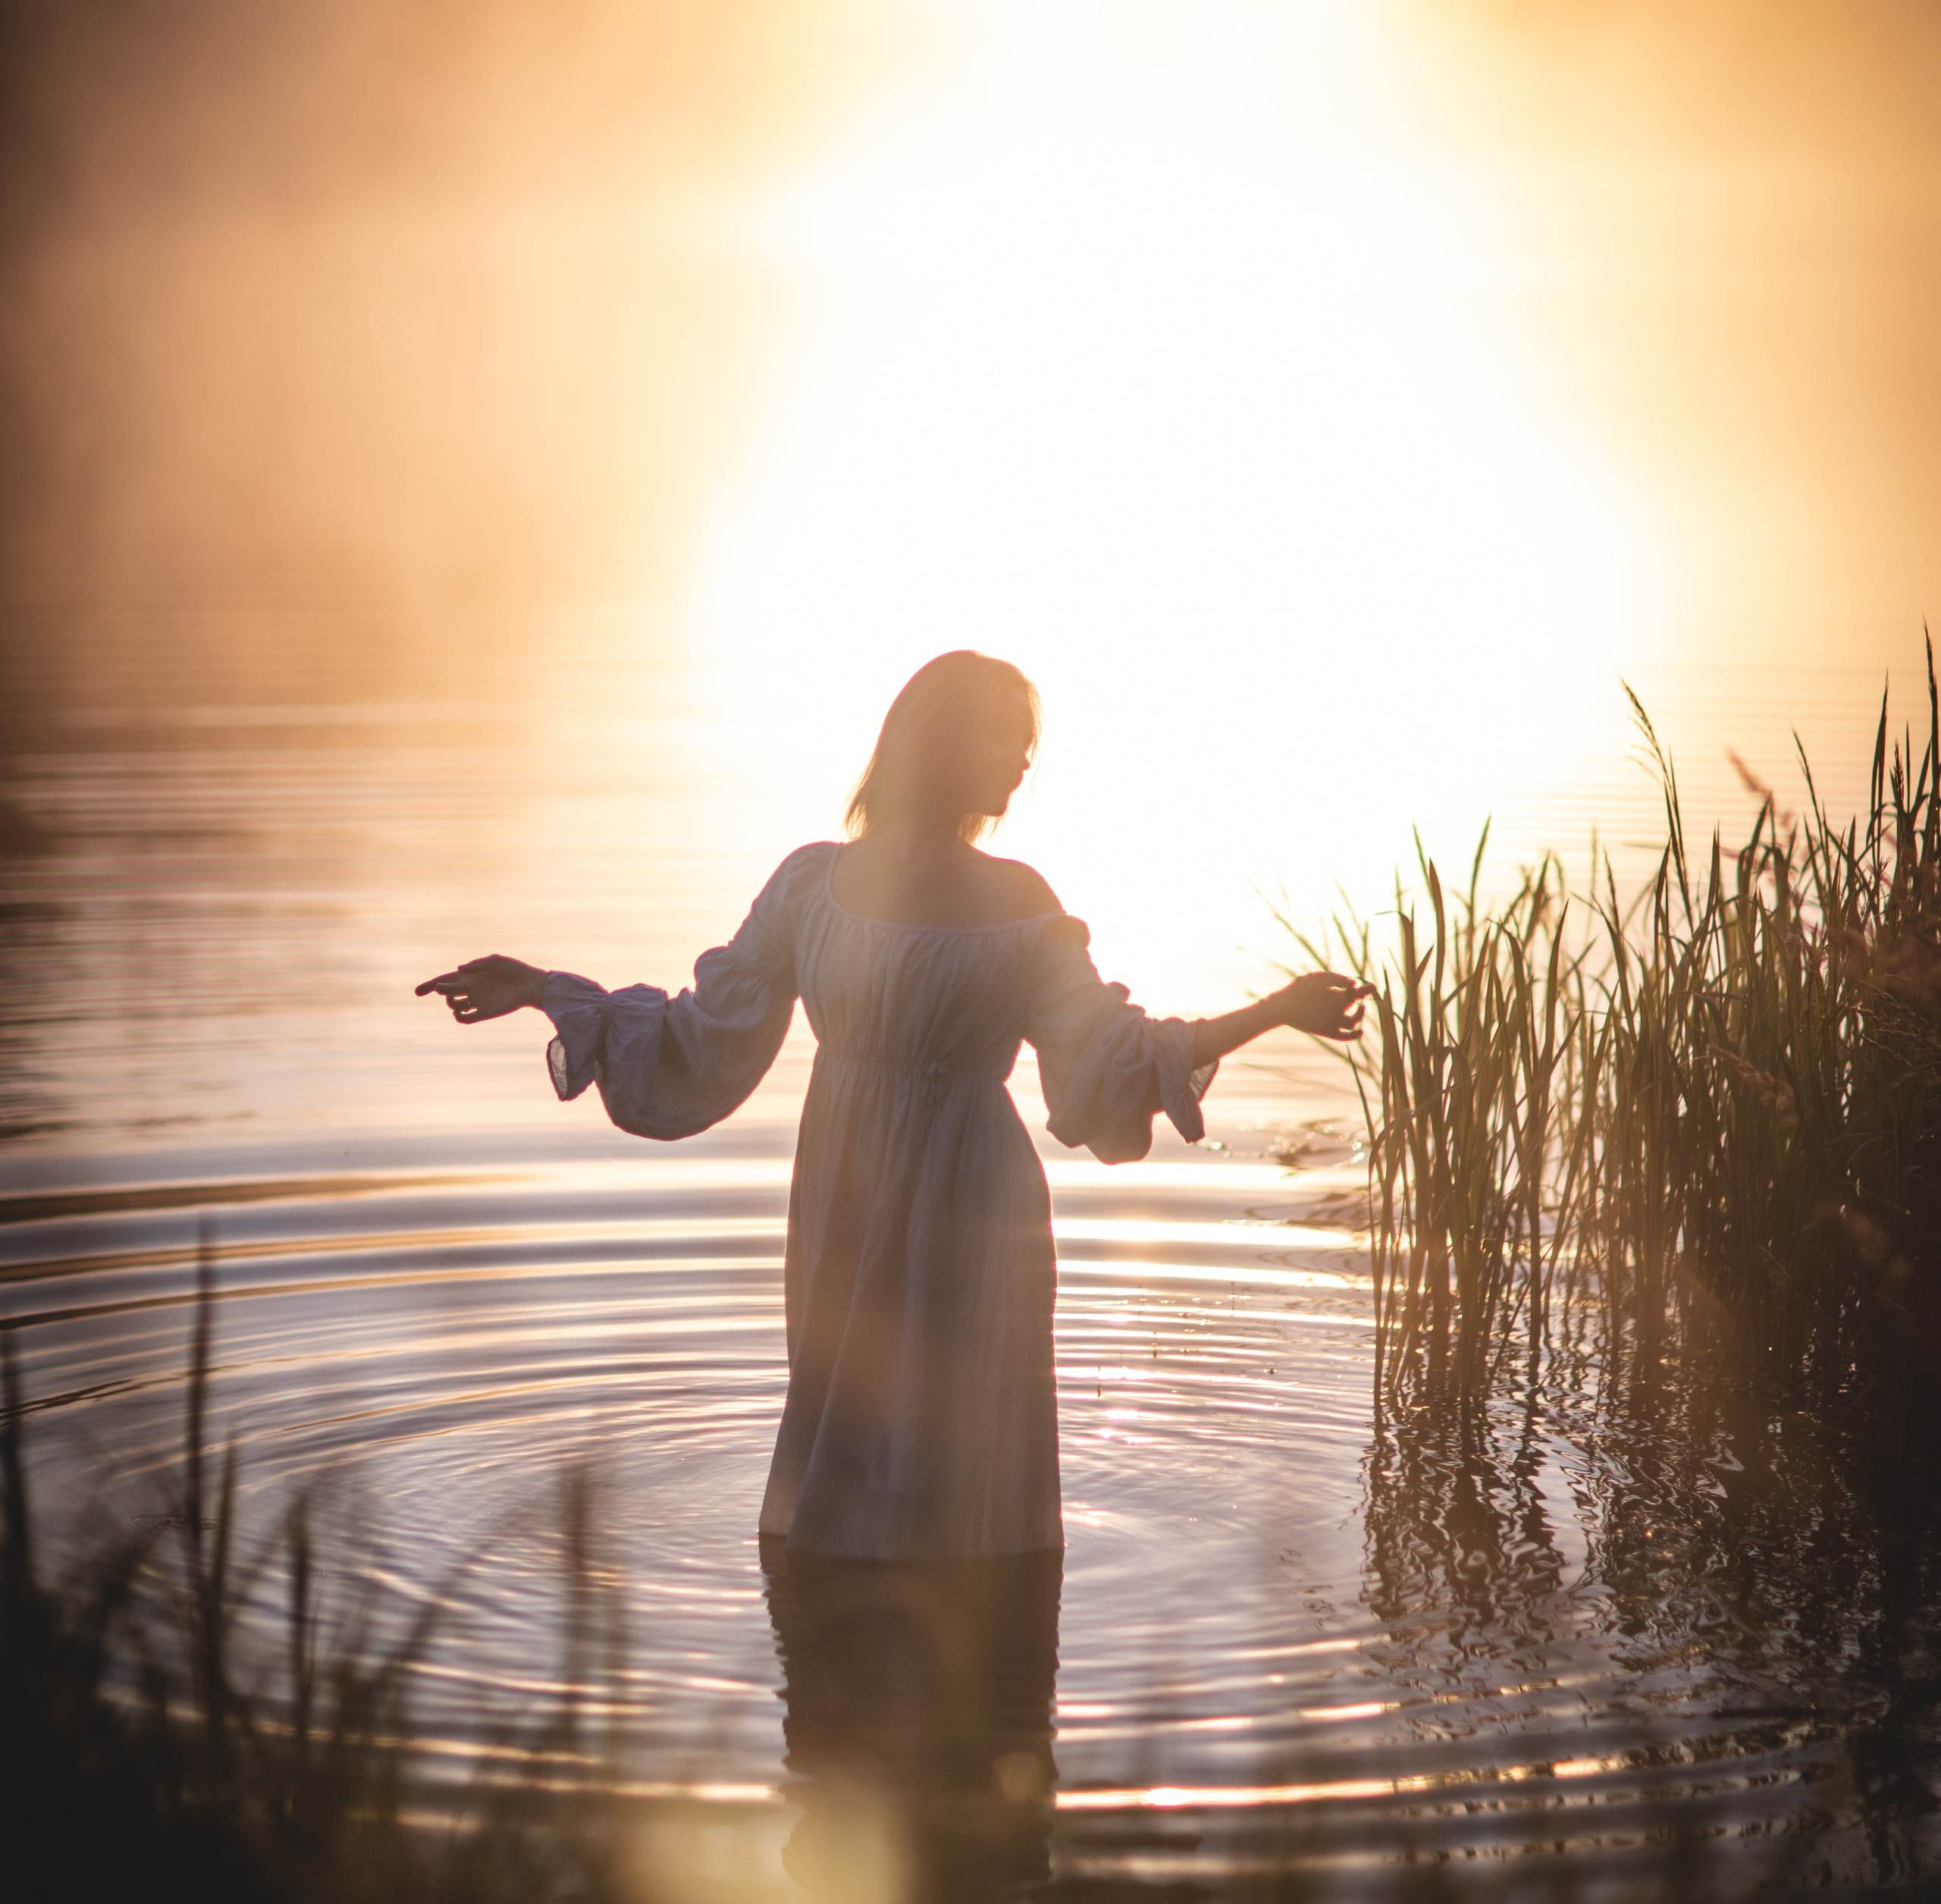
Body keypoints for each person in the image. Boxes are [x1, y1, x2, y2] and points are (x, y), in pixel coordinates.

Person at [418, 651, 1367, 1561]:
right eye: (1002, 735)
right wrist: (547, 990)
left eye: (1025, 741)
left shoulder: (1021, 904)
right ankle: (861, 1634)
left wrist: (1274, 1011)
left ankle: (933, 1641)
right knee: (853, 1423)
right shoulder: (811, 886)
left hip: (975, 1202)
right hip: (847, 1188)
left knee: (958, 1444)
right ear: (941, 742)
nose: (1021, 760)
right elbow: (702, 1037)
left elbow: (1110, 1053)